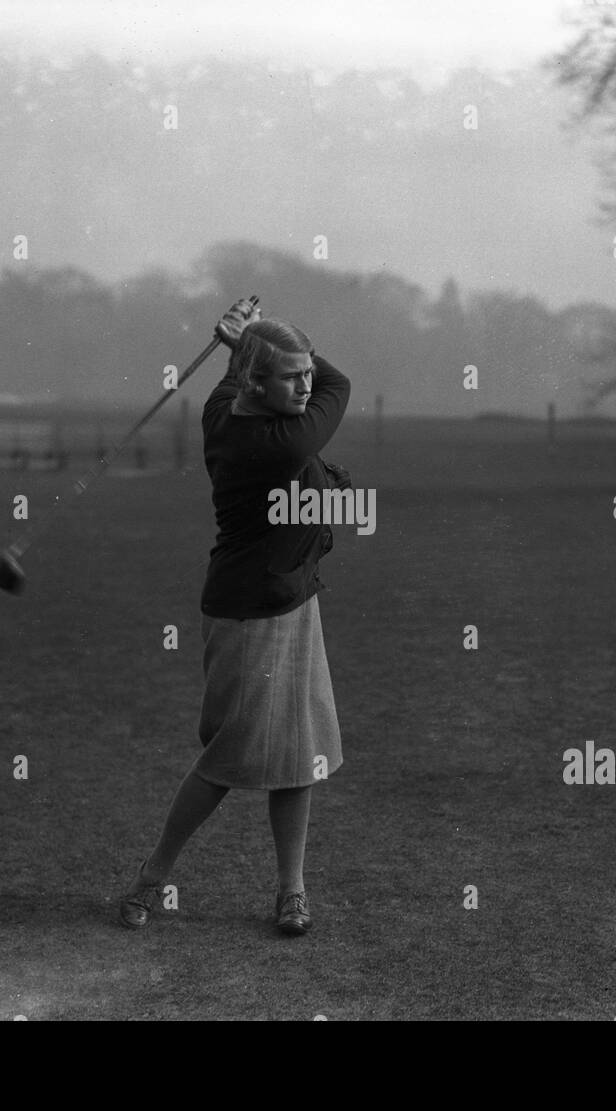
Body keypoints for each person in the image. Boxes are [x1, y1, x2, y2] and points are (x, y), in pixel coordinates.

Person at [117, 297, 351, 936]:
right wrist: (245, 339)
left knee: (302, 754)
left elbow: (297, 379)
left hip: (296, 599)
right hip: (249, 613)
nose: (306, 386)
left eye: (305, 372)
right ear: (255, 381)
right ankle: (151, 876)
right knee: (228, 758)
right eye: (290, 376)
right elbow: (341, 383)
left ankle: (292, 891)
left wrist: (248, 341)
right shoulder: (278, 442)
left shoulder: (225, 404)